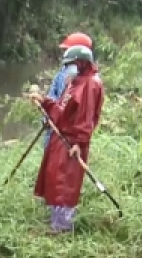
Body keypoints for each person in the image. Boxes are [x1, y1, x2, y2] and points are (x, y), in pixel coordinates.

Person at [28, 45, 104, 234]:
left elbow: (86, 118)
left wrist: (79, 142)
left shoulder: (90, 84)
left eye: (71, 64)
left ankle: (62, 227)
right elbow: (63, 111)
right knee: (55, 179)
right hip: (61, 138)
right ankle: (56, 221)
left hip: (72, 142)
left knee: (65, 184)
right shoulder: (76, 81)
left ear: (81, 63)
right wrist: (45, 102)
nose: (68, 69)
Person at [44, 32, 93, 147]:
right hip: (54, 125)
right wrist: (47, 116)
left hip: (69, 133)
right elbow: (53, 94)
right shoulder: (62, 72)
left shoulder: (88, 82)